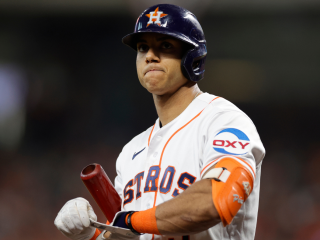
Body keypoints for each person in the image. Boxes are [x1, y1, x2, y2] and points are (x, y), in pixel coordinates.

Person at [54, 4, 265, 240]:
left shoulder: (224, 121)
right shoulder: (131, 152)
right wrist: (91, 234)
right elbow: (130, 236)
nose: (150, 56)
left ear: (193, 57)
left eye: (165, 46)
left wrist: (133, 220)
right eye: (143, 47)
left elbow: (216, 201)